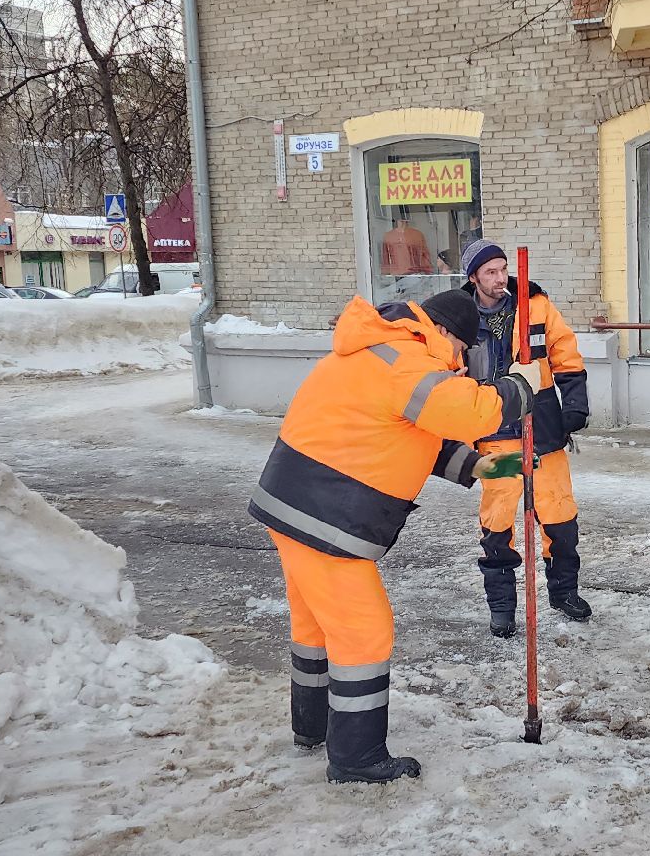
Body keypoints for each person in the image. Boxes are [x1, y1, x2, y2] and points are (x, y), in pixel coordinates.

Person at [248, 288, 540, 783]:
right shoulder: (406, 358)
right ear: (446, 334)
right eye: (464, 354)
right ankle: (356, 758)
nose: (463, 367)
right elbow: (467, 412)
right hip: (326, 516)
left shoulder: (385, 351)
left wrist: (501, 465)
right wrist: (520, 388)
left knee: (319, 627)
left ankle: (312, 728)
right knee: (364, 632)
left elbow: (418, 441)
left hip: (299, 508)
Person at [459, 238, 594, 636]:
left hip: (543, 430)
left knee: (560, 516)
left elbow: (565, 352)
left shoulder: (534, 304)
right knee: (498, 525)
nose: (501, 278)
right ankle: (502, 607)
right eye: (490, 272)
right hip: (495, 433)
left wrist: (574, 405)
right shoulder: (460, 317)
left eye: (503, 269)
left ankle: (563, 592)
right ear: (474, 278)